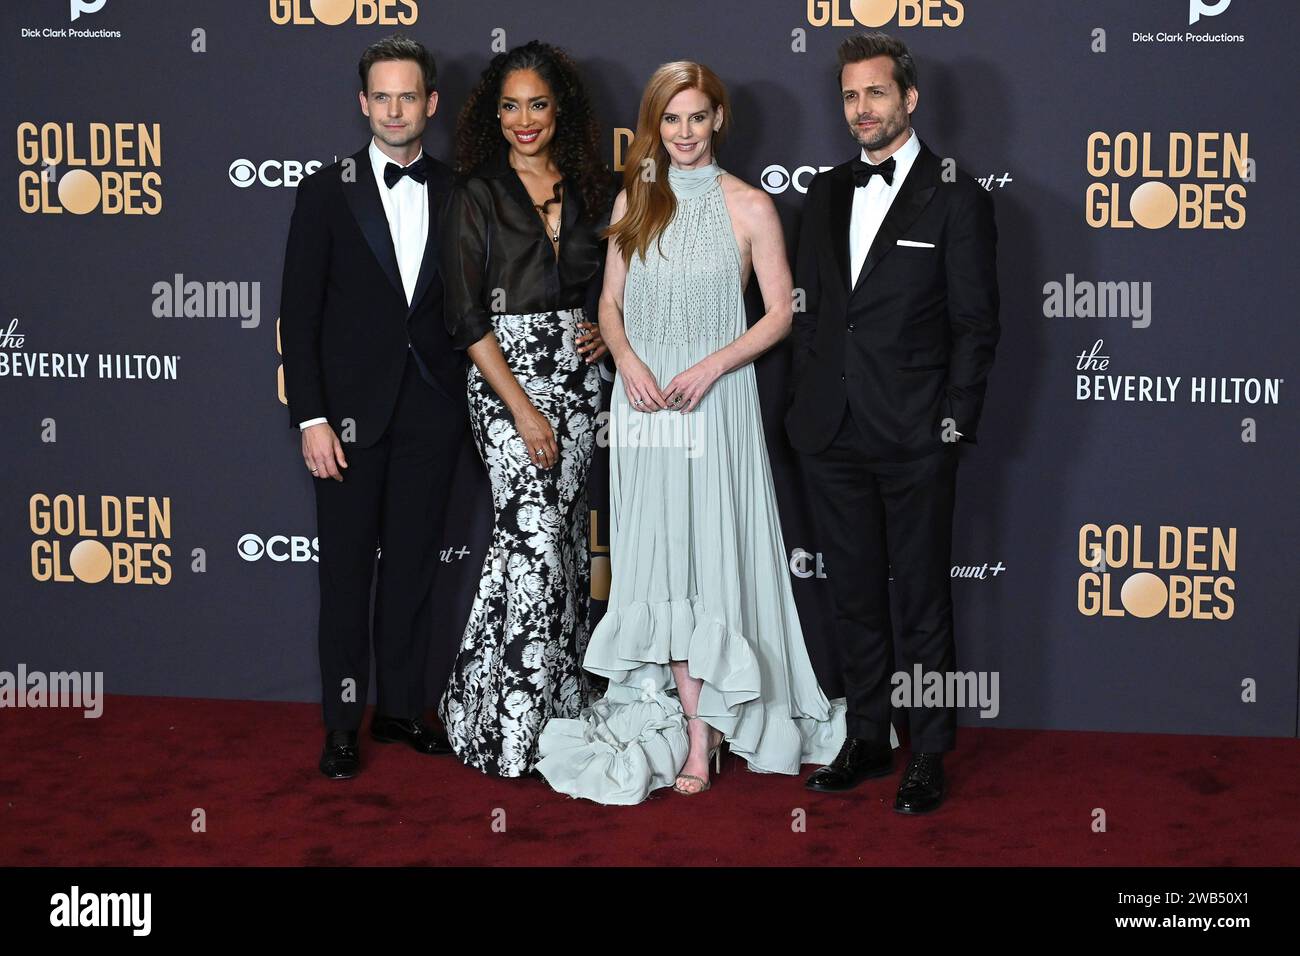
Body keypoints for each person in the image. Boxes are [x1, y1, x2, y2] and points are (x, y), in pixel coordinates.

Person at [535, 61, 845, 805]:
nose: (683, 133)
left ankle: (709, 732)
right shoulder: (634, 200)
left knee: (710, 562)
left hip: (717, 404)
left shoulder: (751, 207)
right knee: (662, 565)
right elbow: (607, 304)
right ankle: (686, 724)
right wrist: (629, 363)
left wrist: (710, 368)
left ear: (717, 121)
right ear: (655, 126)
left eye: (697, 118)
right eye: (670, 119)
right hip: (643, 408)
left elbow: (778, 314)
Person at [786, 32, 1000, 814]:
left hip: (916, 435)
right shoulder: (827, 193)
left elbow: (976, 327)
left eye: (875, 93)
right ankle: (869, 736)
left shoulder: (957, 195)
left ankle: (929, 751)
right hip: (831, 434)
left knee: (920, 600)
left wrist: (951, 424)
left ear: (909, 99)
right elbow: (813, 316)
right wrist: (806, 403)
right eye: (849, 95)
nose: (861, 109)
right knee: (851, 596)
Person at [280, 34, 467, 779]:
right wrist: (312, 417)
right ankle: (340, 724)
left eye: (408, 96)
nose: (395, 109)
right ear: (364, 104)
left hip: (432, 413)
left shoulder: (461, 190)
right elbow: (300, 312)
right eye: (381, 97)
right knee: (346, 576)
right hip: (347, 423)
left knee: (416, 572)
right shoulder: (326, 192)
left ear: (430, 103)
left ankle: (399, 710)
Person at [437, 41, 613, 778]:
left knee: (561, 540)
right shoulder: (474, 192)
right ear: (493, 114)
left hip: (579, 379)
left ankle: (545, 708)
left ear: (559, 108)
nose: (524, 120)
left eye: (537, 103)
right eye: (509, 106)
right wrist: (523, 412)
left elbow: (613, 279)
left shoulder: (593, 187)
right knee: (535, 540)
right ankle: (515, 730)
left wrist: (610, 325)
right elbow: (465, 315)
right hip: (505, 378)